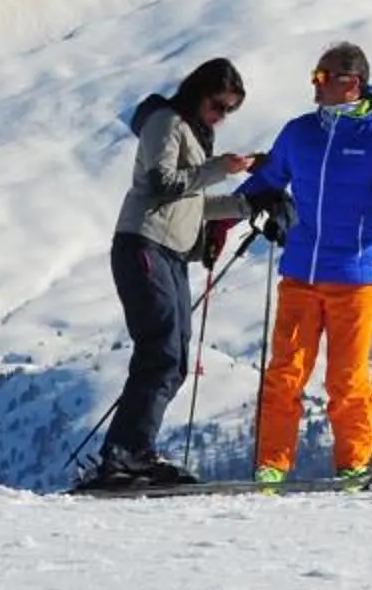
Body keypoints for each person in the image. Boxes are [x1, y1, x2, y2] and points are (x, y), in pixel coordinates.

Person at [235, 42, 372, 488]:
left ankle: (353, 466)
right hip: (301, 271)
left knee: (346, 377)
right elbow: (265, 180)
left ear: (352, 84)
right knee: (284, 373)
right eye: (314, 77)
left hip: (356, 277)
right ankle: (270, 466)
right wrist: (225, 220)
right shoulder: (299, 133)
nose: (315, 86)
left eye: (323, 78)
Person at [86, 58, 256, 490]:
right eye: (218, 105)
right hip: (145, 243)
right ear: (199, 92)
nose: (221, 116)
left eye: (229, 110)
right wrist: (220, 168)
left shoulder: (194, 135)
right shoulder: (166, 121)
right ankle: (122, 454)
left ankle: (136, 451)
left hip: (170, 252)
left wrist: (249, 204)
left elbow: (191, 203)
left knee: (175, 357)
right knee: (160, 349)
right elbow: (163, 183)